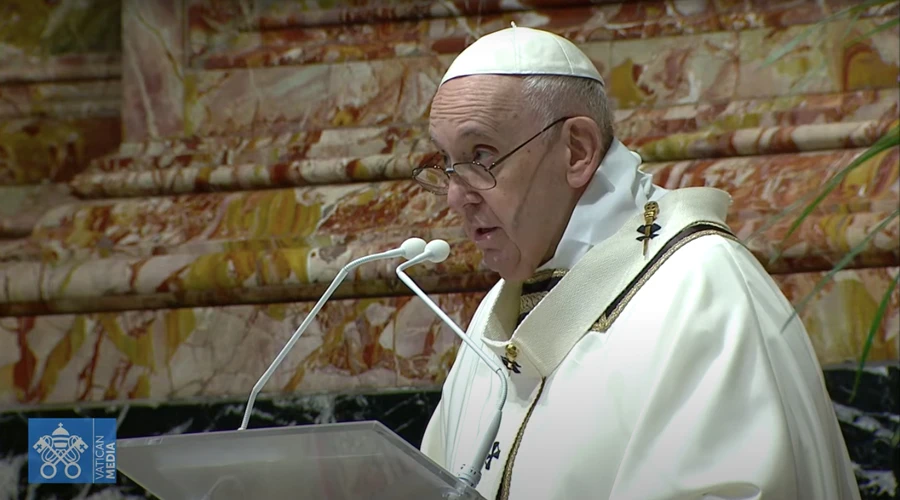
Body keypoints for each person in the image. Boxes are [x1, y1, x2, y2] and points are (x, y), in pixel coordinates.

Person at [413, 24, 861, 500]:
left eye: (481, 156)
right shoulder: (496, 313)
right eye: (446, 162)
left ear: (577, 151)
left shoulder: (701, 290)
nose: (456, 197)